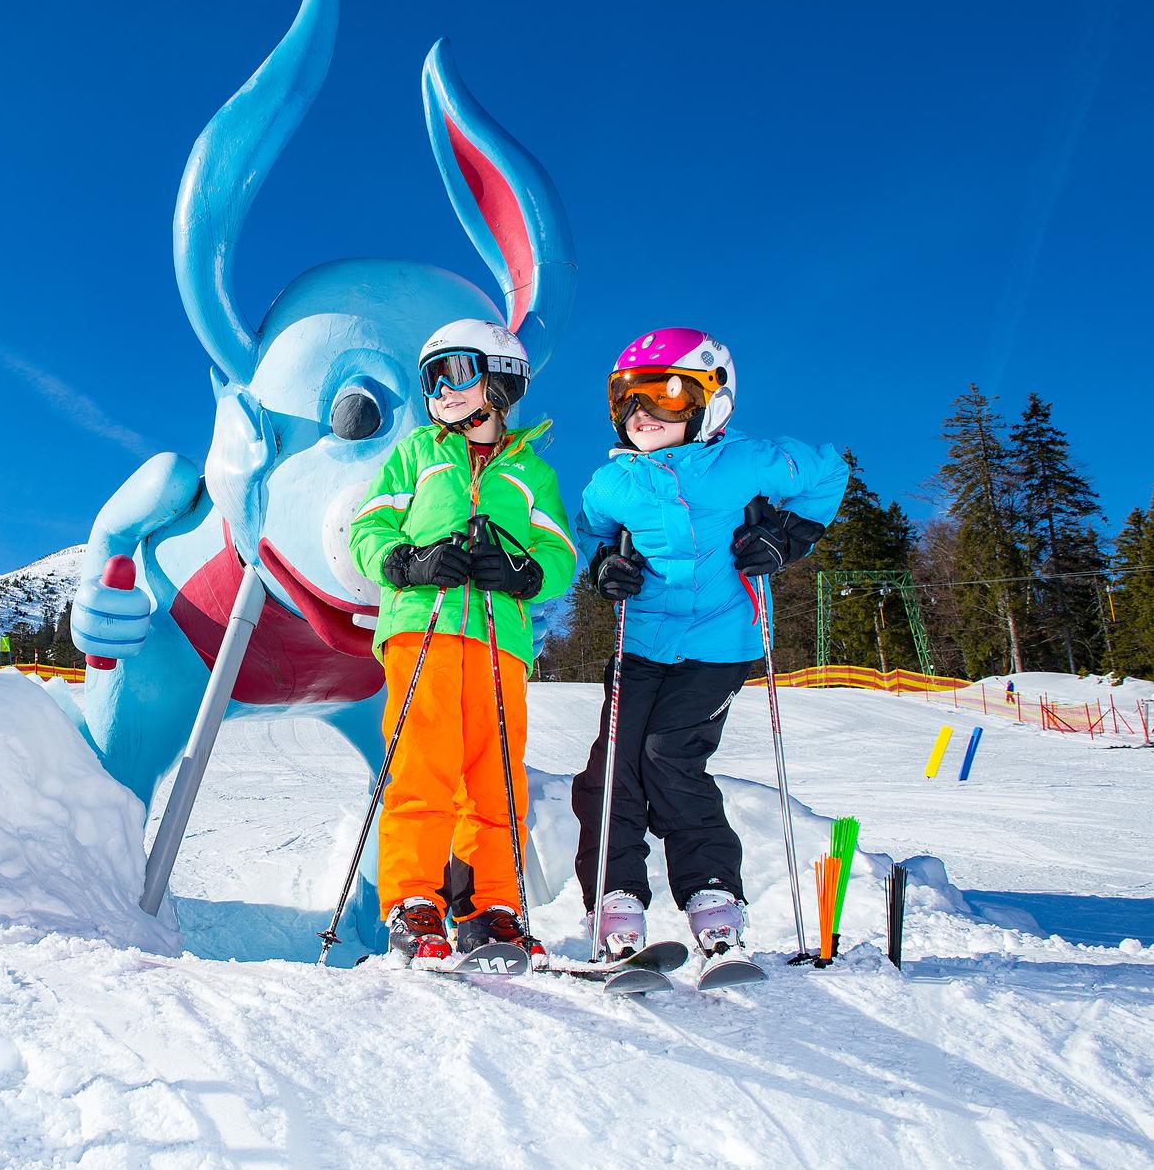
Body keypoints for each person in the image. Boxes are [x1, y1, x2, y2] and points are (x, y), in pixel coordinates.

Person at [572, 328, 847, 961]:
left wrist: (787, 535)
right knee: (612, 767)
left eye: (665, 394)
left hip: (718, 646)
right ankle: (616, 897)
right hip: (641, 644)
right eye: (626, 397)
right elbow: (594, 531)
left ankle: (711, 893)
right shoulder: (612, 484)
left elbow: (828, 471)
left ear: (711, 399)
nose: (641, 412)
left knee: (669, 756)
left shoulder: (748, 462)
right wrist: (606, 566)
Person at [349, 318, 578, 967]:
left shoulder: (532, 472)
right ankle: (413, 901)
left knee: (496, 776)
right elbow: (368, 529)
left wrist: (523, 572)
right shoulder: (415, 456)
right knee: (422, 766)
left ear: (502, 377)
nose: (442, 390)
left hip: (499, 641)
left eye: (455, 371)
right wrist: (407, 561)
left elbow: (559, 552)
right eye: (432, 379)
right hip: (422, 628)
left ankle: (491, 908)